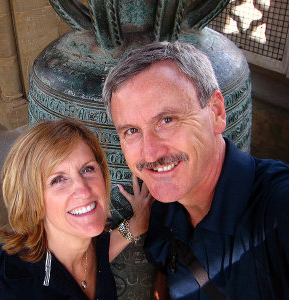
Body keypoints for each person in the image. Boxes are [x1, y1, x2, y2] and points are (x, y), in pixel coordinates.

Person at [103, 41, 289, 300]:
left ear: (216, 112)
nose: (150, 154)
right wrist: (134, 226)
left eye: (167, 120)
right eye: (132, 131)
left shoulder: (279, 209)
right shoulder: (162, 210)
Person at [0, 118, 153, 300]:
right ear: (33, 200)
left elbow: (98, 253)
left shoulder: (85, 240)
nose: (83, 190)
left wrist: (136, 224)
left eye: (87, 169)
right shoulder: (12, 291)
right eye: (58, 180)